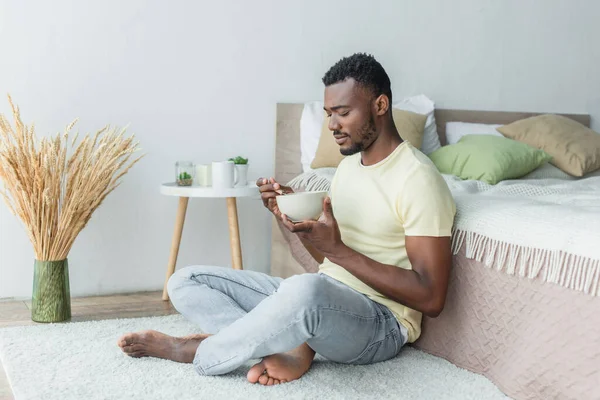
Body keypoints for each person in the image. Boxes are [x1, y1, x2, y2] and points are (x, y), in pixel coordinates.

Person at [117, 53, 456, 386]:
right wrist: (286, 214)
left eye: (343, 113)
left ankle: (195, 349)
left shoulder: (418, 179)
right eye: (328, 114)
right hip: (320, 298)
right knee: (185, 281)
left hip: (380, 323)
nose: (333, 126)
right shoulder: (349, 167)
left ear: (380, 106)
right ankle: (279, 345)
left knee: (305, 288)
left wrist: (336, 252)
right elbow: (331, 260)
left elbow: (431, 298)